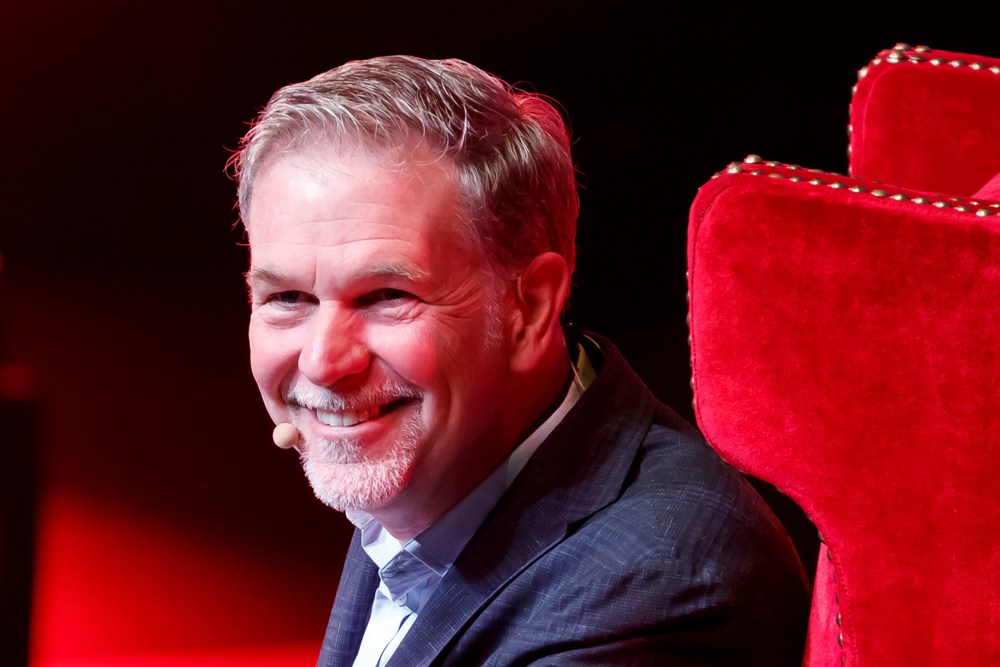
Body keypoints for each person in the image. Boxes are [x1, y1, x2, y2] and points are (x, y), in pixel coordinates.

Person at [227, 54, 810, 666]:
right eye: (287, 298)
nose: (324, 362)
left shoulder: (655, 592)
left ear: (528, 308)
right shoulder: (435, 467)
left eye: (387, 296)